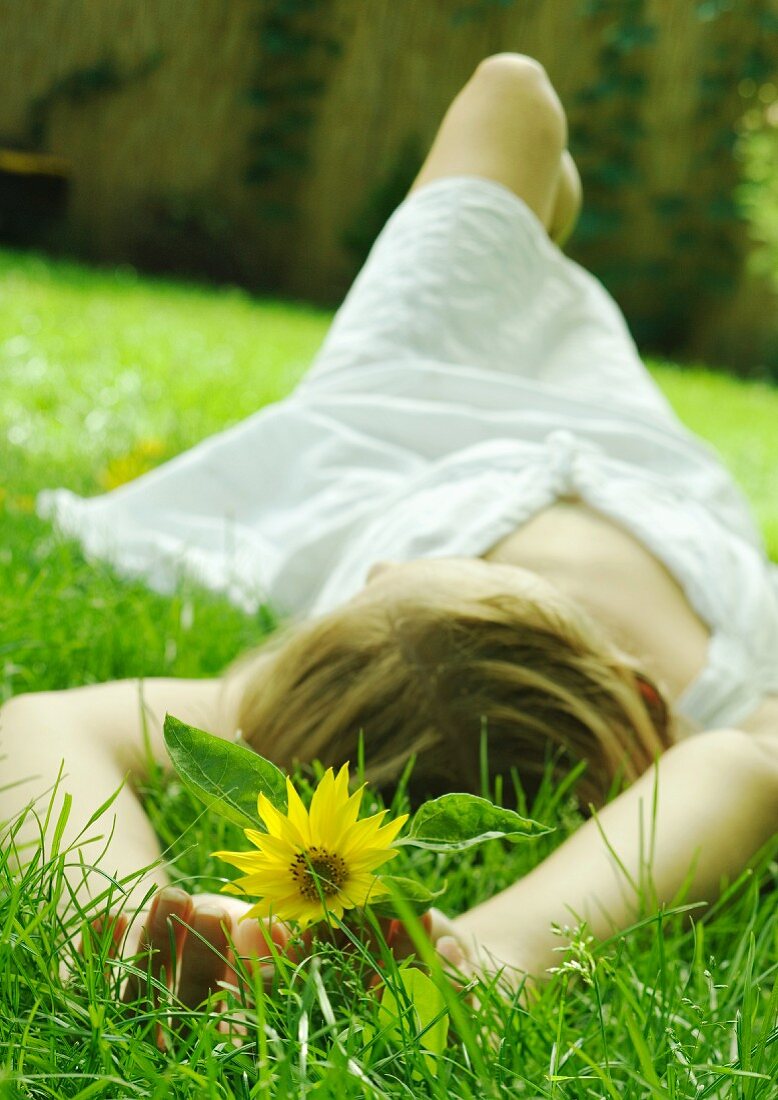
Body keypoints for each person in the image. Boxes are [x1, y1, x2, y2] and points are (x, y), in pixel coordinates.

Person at [3, 53, 778, 1010]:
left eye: (382, 580)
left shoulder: (345, 676)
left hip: (388, 421)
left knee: (512, 94)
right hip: (622, 438)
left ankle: (541, 235)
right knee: (514, 93)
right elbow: (751, 763)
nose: (381, 564)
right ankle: (545, 234)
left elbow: (44, 720)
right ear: (650, 698)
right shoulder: (733, 689)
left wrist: (116, 914)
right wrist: (504, 948)